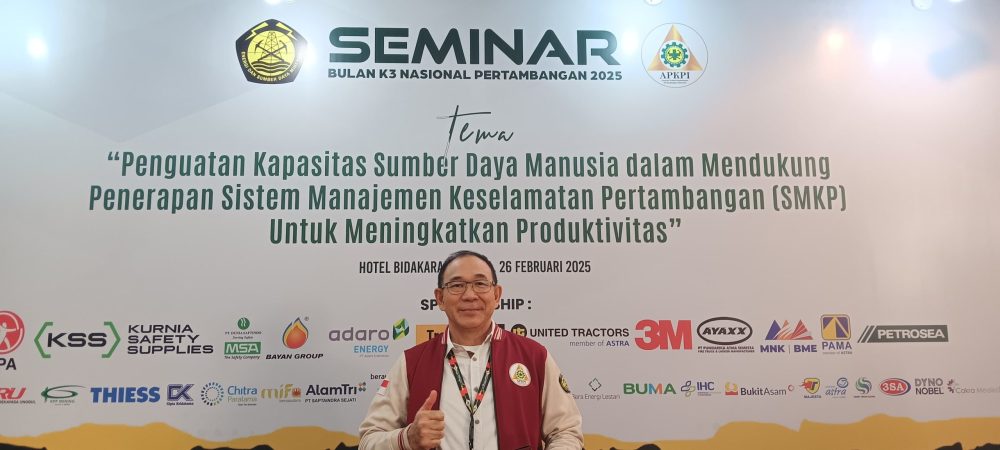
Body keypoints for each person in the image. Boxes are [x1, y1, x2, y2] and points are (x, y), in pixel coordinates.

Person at [359, 250, 583, 450]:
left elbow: (566, 432)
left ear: (496, 295)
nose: (469, 295)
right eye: (457, 285)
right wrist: (407, 438)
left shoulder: (534, 356)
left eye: (480, 284)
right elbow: (369, 440)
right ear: (440, 298)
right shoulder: (412, 362)